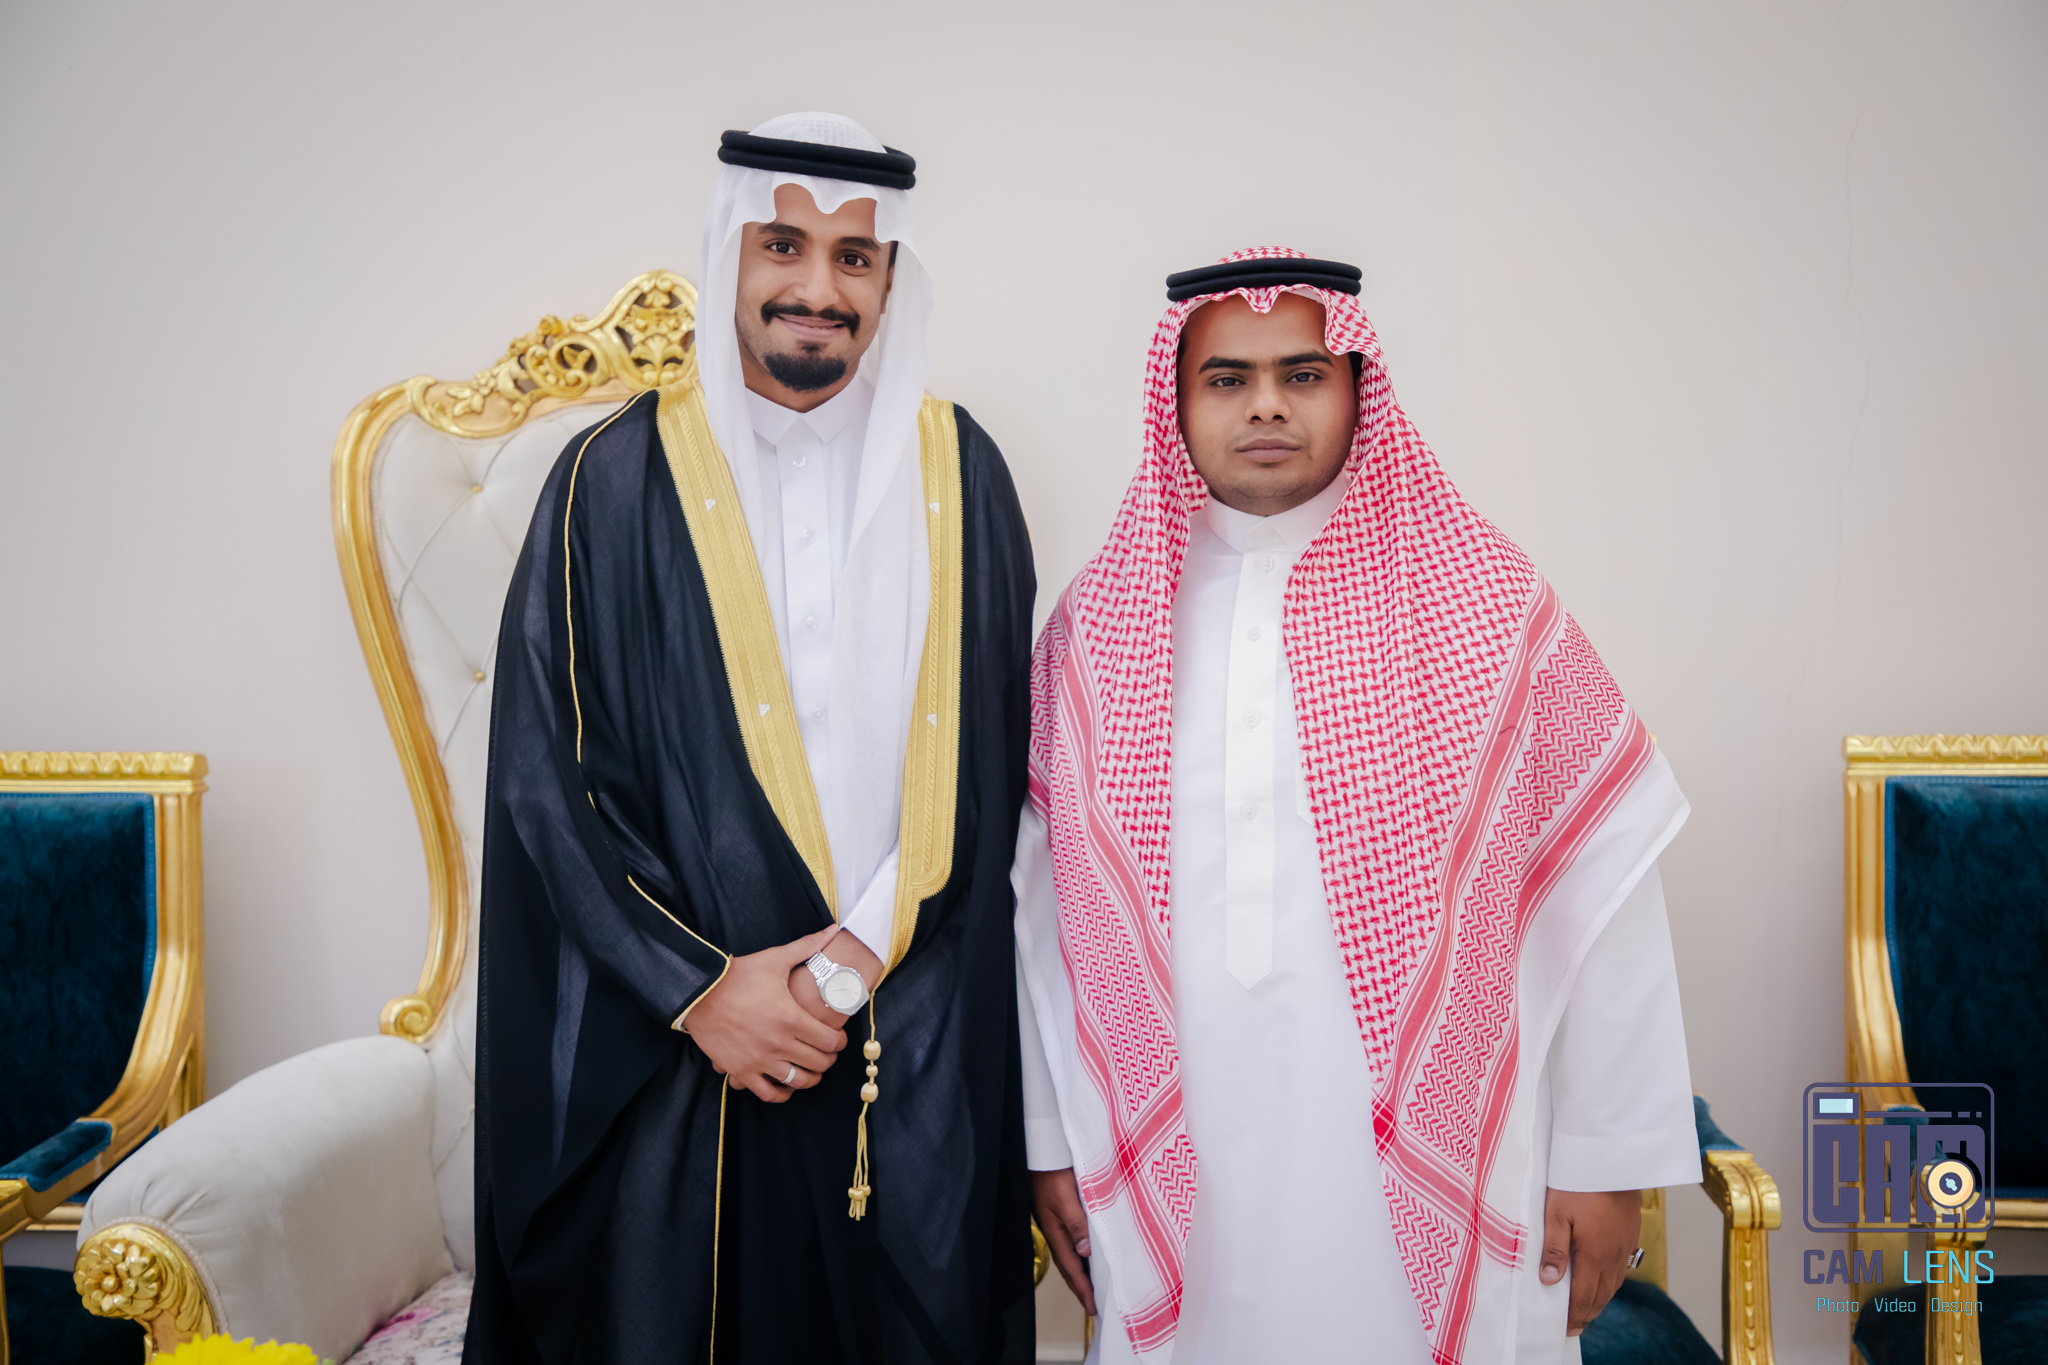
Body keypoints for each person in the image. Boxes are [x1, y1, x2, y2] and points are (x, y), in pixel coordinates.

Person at [1015, 248, 1699, 1364]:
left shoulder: (1483, 602)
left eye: (1303, 373)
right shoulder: (1099, 626)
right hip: (1182, 1138)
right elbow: (1041, 916)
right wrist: (1049, 1137)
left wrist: (1605, 1158)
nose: (1266, 405)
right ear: (1176, 402)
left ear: (1356, 388)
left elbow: (1602, 884)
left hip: (1432, 1147)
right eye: (1227, 378)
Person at [466, 112, 1038, 1365]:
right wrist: (700, 990)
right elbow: (544, 786)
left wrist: (846, 969)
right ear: (728, 250)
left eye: (853, 257)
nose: (816, 287)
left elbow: (993, 770)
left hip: (903, 1020)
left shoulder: (960, 473)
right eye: (783, 245)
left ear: (889, 280)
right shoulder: (608, 482)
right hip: (678, 1049)